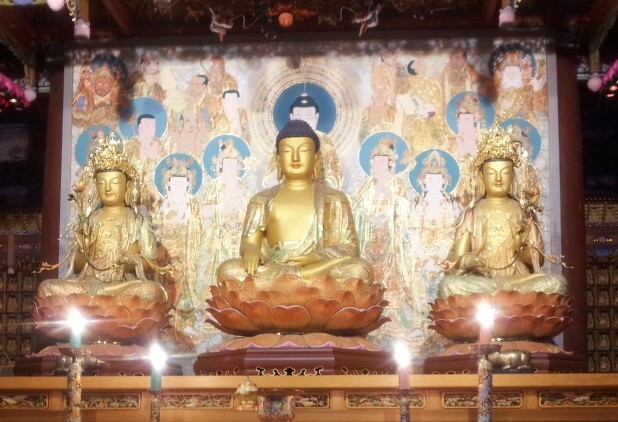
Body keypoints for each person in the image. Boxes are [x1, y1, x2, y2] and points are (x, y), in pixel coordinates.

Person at [217, 120, 372, 285]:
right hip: (274, 270)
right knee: (228, 270)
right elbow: (249, 241)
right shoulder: (261, 200)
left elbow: (349, 247)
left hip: (317, 271)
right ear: (278, 159)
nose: (295, 158)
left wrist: (317, 257)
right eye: (287, 151)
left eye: (304, 151)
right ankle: (298, 279)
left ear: (317, 157)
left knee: (360, 270)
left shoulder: (334, 198)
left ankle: (297, 280)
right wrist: (251, 252)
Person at [437, 126, 567, 298]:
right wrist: (475, 260)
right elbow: (456, 260)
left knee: (556, 283)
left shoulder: (524, 213)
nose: (498, 179)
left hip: (518, 282)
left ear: (512, 177)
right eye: (491, 173)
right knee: (449, 285)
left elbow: (537, 260)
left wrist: (520, 245)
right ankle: (504, 301)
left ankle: (505, 300)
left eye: (504, 173)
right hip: (484, 282)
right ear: (481, 177)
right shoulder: (471, 214)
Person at [37, 135, 168, 302]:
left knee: (151, 290)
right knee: (46, 287)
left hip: (123, 286)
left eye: (114, 183)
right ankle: (98, 298)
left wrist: (131, 262)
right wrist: (83, 248)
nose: (107, 188)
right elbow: (76, 267)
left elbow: (151, 263)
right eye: (101, 183)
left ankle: (101, 298)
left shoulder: (138, 221)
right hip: (89, 283)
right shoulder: (90, 220)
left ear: (127, 186)